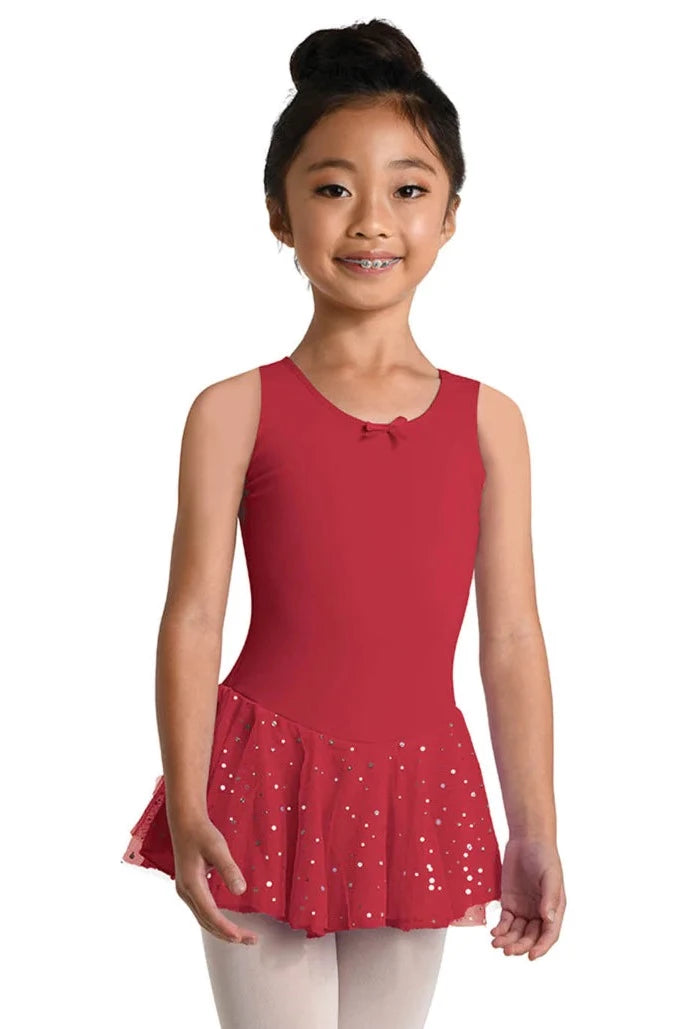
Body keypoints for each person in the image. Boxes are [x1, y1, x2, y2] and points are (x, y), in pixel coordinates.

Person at [121, 17, 566, 1028]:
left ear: (450, 216)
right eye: (332, 189)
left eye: (407, 189)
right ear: (279, 214)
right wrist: (186, 803)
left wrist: (534, 826)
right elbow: (192, 617)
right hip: (262, 781)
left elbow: (510, 635)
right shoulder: (233, 410)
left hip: (420, 787)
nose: (371, 221)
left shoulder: (490, 421)